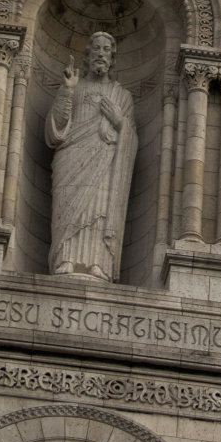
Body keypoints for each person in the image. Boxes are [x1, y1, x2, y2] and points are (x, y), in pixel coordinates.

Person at [44, 31, 137, 279]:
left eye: (106, 50)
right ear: (88, 55)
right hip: (71, 157)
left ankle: (100, 262)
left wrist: (120, 123)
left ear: (113, 57)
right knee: (68, 207)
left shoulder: (122, 95)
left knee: (99, 209)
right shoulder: (74, 86)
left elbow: (131, 140)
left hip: (105, 160)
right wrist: (67, 90)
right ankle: (66, 258)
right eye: (96, 49)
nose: (101, 54)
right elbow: (57, 127)